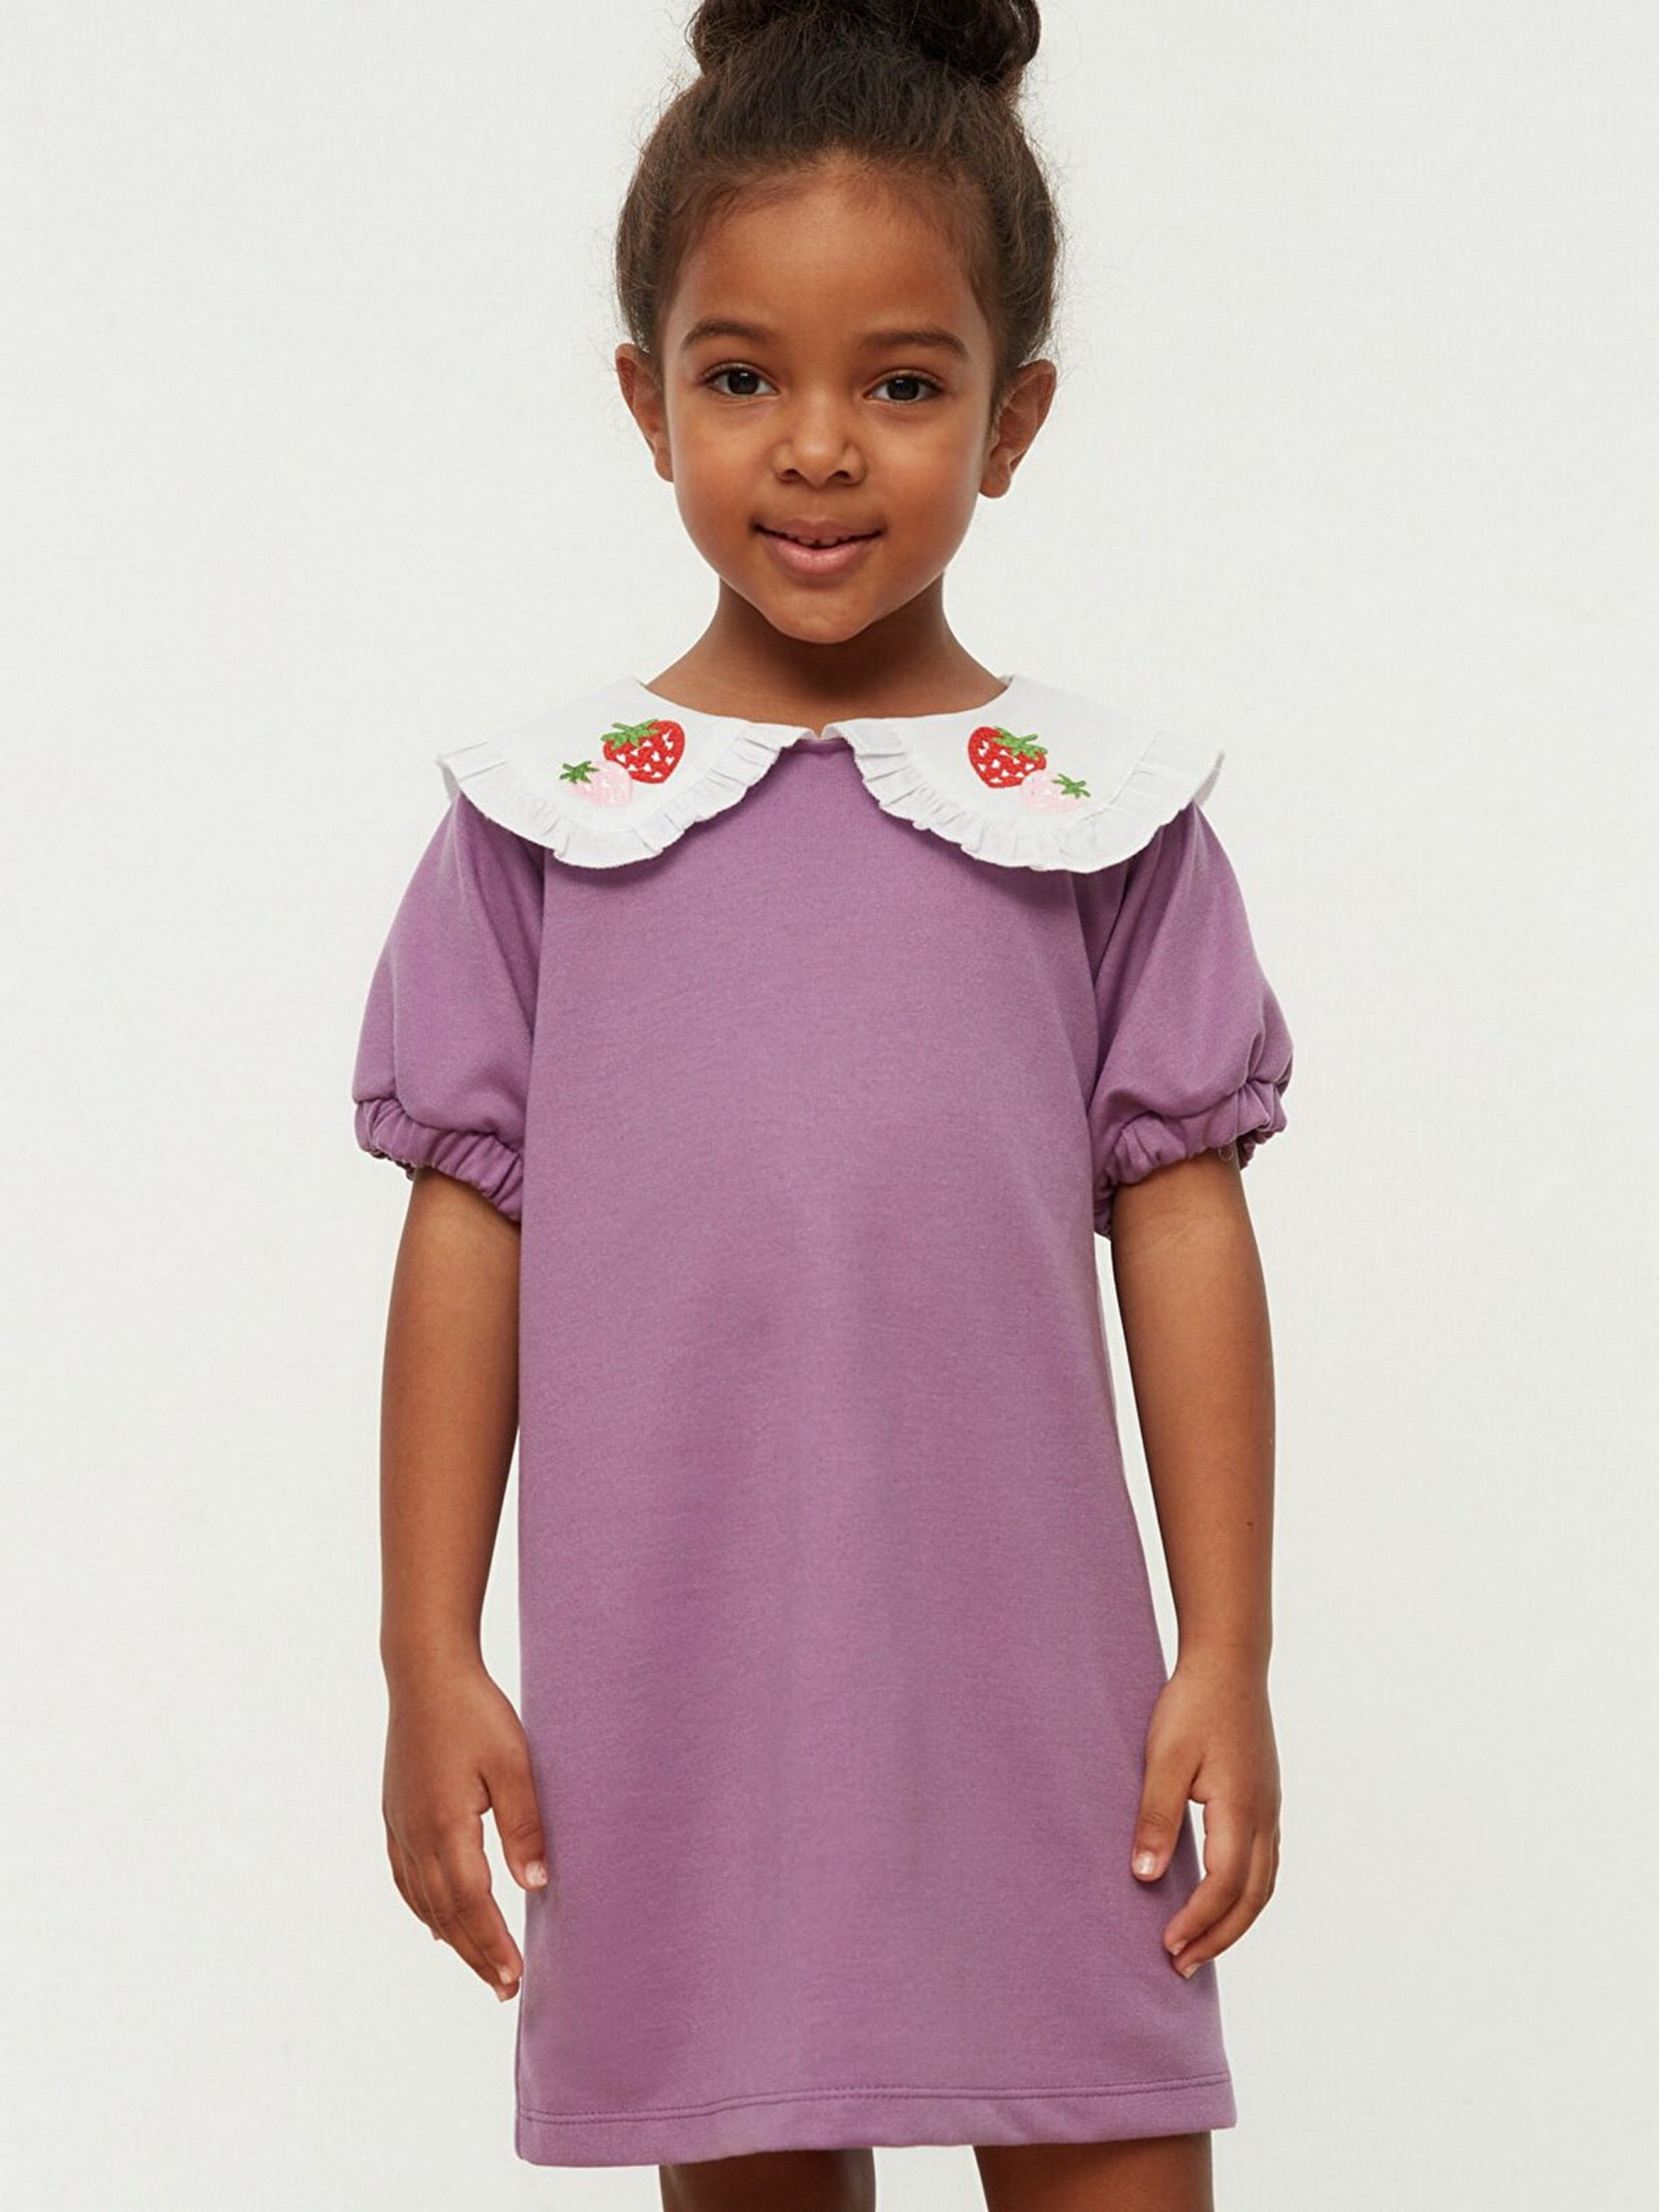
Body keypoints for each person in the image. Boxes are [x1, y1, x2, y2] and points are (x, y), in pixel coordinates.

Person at [350, 2, 1295, 2206]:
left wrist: (1228, 1649)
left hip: (1042, 1690)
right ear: (645, 397)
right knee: (752, 2150)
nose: (816, 451)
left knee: (1110, 2136)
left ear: (1013, 414)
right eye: (741, 376)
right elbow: (466, 1238)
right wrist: (424, 1651)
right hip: (684, 1693)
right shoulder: (548, 826)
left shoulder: (1098, 820)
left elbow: (1183, 1222)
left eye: (902, 384)